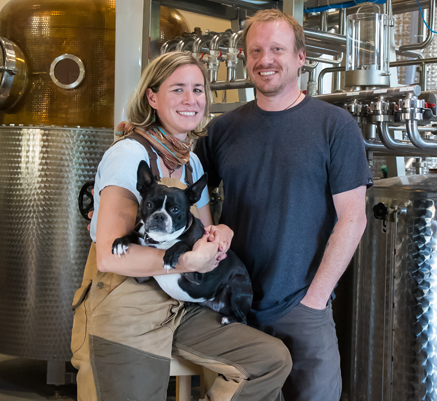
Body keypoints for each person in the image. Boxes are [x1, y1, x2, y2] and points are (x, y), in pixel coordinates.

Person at [71, 51, 292, 401]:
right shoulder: (129, 156)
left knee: (270, 359)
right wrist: (183, 262)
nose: (191, 100)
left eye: (198, 89)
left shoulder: (191, 163)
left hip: (185, 305)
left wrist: (221, 235)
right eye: (178, 89)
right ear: (152, 97)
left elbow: (203, 235)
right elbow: (110, 257)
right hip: (127, 306)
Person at [195, 9, 371, 401]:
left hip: (301, 305)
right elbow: (192, 190)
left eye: (277, 49)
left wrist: (316, 299)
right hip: (233, 305)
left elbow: (353, 219)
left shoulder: (334, 125)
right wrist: (211, 243)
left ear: (300, 57)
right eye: (255, 50)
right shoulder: (223, 129)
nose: (265, 59)